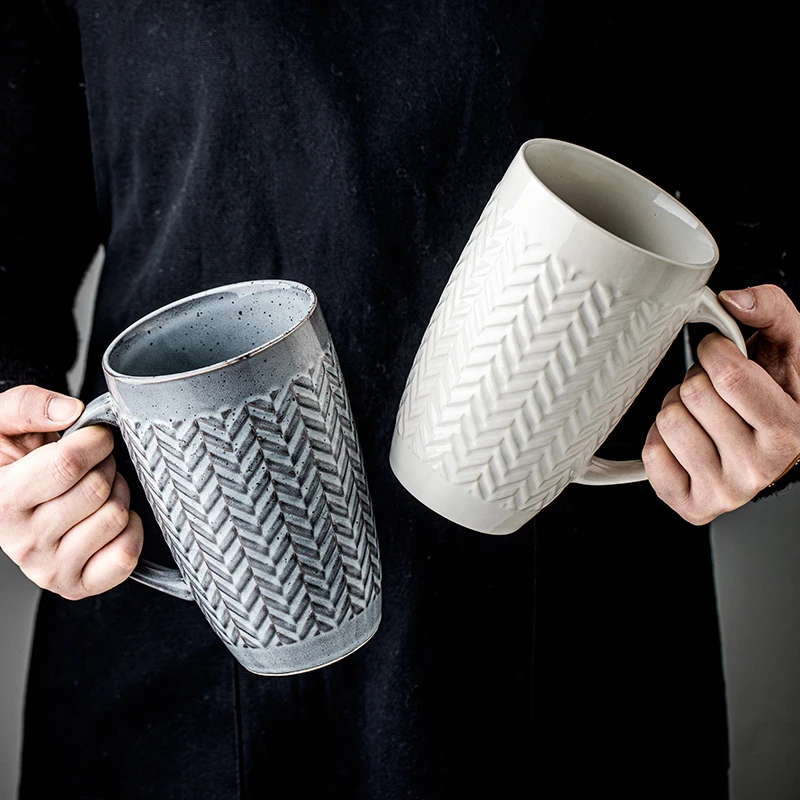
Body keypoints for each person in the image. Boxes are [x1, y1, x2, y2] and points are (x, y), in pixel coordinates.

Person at [1, 1, 797, 797]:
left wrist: (773, 392)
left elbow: (767, 232)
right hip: (178, 592)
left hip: (571, 637)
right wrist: (12, 435)